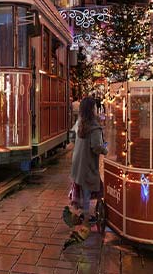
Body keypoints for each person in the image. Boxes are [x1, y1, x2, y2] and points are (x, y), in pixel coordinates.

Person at [66, 97, 107, 227]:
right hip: (88, 165)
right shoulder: (94, 128)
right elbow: (96, 147)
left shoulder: (80, 123)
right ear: (92, 109)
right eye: (95, 107)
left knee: (84, 190)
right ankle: (86, 220)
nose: (96, 109)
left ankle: (84, 215)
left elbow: (72, 136)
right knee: (88, 191)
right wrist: (106, 150)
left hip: (78, 163)